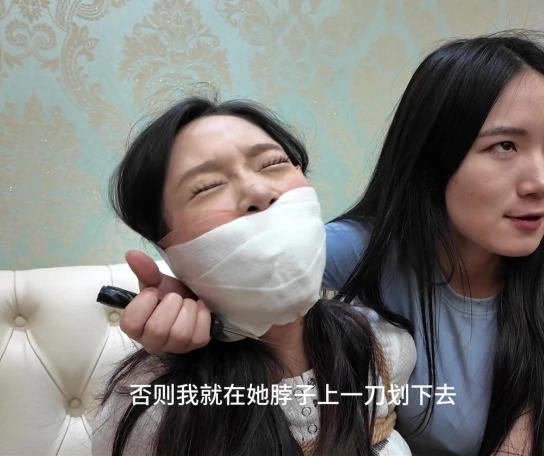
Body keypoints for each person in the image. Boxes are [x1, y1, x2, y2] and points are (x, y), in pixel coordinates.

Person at [116, 30, 544, 456]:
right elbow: (246, 259)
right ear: (430, 157)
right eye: (504, 145)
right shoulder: (363, 252)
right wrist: (187, 308)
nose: (543, 181)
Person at [90, 97, 417, 456]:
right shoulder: (154, 410)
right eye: (207, 186)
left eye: (273, 163)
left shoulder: (384, 347)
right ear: (166, 247)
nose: (259, 192)